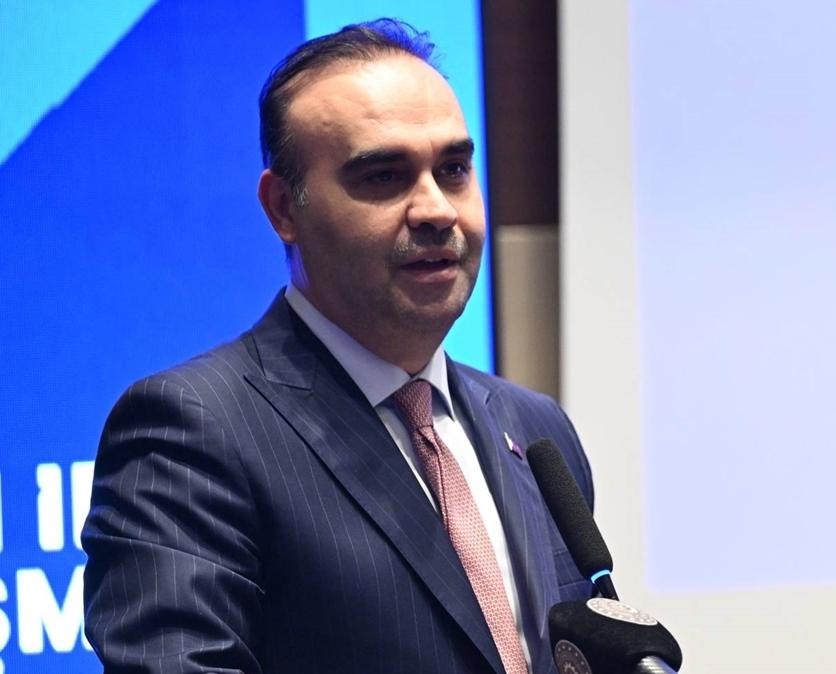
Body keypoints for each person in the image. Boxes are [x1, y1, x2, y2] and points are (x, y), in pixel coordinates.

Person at [82, 19, 594, 674]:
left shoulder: (536, 429)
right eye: (383, 176)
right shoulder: (192, 432)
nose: (437, 209)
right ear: (283, 208)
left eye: (454, 169)